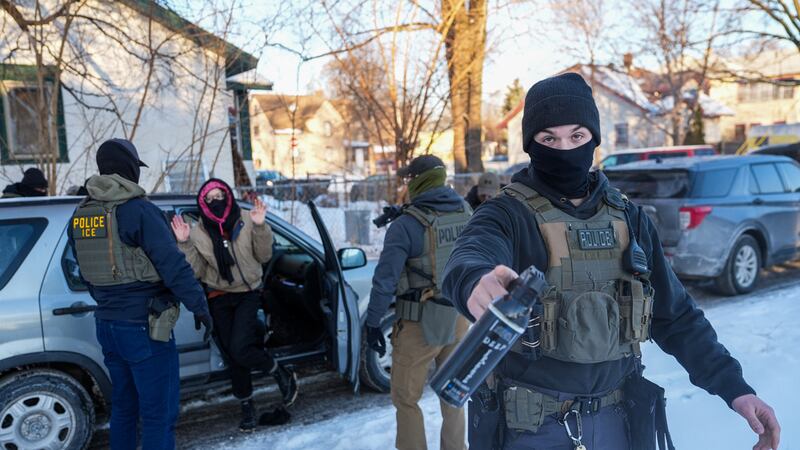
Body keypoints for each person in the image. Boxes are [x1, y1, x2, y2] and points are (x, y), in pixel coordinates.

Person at [441, 73, 781, 450]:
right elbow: (470, 254)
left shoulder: (629, 218)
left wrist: (736, 389)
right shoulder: (506, 215)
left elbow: (676, 317)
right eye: (548, 138)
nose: (564, 147)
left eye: (577, 136)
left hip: (620, 423)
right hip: (533, 431)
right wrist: (476, 280)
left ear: (594, 139)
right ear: (530, 144)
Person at [70, 138, 213, 450]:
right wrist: (200, 306)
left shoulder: (81, 214)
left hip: (107, 324)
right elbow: (173, 265)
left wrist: (110, 301)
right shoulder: (140, 211)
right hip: (144, 327)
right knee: (158, 414)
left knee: (124, 408)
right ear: (129, 168)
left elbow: (85, 270)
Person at [171, 178, 297, 432]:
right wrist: (184, 243)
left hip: (247, 293)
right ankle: (247, 405)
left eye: (220, 196)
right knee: (233, 355)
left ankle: (278, 370)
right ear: (203, 204)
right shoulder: (198, 232)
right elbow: (196, 270)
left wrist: (261, 226)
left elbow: (264, 256)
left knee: (240, 348)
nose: (216, 201)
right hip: (218, 296)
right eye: (210, 199)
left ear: (228, 196)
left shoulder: (247, 220)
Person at [365, 155, 473, 450]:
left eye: (409, 179)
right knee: (453, 394)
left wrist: (373, 322)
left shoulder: (405, 226)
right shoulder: (465, 210)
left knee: (406, 399)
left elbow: (385, 280)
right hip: (458, 317)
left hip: (418, 323)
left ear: (418, 181)